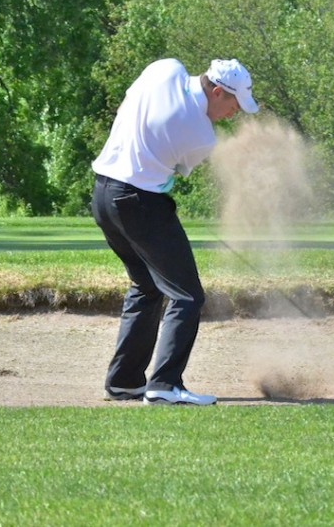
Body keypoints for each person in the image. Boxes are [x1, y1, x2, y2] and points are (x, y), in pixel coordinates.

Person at [91, 58, 259, 405]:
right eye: (233, 105)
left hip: (103, 195)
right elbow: (176, 174)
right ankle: (164, 384)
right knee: (187, 295)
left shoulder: (163, 68)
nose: (233, 114)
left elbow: (128, 101)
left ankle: (124, 382)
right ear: (216, 91)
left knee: (148, 285)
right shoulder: (201, 136)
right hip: (140, 204)